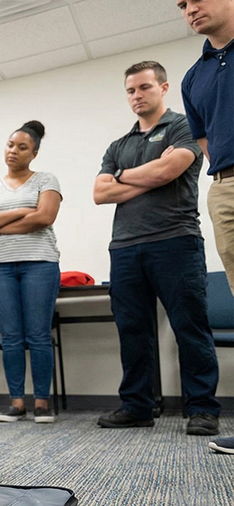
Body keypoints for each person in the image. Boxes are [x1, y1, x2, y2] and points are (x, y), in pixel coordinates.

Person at [92, 60, 221, 436]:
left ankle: (202, 408)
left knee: (189, 325)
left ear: (163, 88)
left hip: (175, 240)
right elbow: (100, 192)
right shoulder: (119, 145)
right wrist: (149, 173)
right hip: (126, 248)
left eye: (144, 87)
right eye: (131, 90)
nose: (137, 96)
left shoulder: (183, 126)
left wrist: (124, 178)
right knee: (133, 329)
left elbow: (172, 169)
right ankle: (137, 406)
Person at [0, 121, 62, 424]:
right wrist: (24, 212)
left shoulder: (45, 180)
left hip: (40, 263)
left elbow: (46, 216)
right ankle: (16, 402)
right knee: (10, 337)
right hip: (0, 267)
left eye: (22, 147)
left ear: (33, 153)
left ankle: (41, 402)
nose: (13, 151)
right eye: (11, 144)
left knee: (37, 335)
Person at [178, 0, 234, 452]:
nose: (190, 8)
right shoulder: (193, 77)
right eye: (181, 4)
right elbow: (203, 139)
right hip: (226, 186)